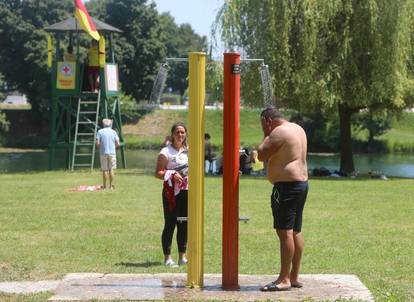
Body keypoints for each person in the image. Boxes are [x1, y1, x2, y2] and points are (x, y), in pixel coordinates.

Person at [257, 107, 309, 291]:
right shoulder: (297, 129)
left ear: (267, 120)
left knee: (284, 231)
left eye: (263, 123)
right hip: (301, 185)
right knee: (295, 231)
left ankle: (284, 279)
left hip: (287, 187)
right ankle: (294, 276)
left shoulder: (278, 132)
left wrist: (266, 133)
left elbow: (261, 154)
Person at [155, 122, 189, 267]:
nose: (180, 135)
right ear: (172, 134)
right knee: (170, 223)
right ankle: (167, 258)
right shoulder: (166, 152)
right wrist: (172, 174)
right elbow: (158, 173)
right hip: (171, 195)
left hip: (186, 193)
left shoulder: (189, 151)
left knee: (183, 222)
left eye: (182, 132)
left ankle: (182, 256)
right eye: (177, 132)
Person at [96, 119, 120, 190]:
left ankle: (104, 186)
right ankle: (111, 186)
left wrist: (98, 148)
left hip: (103, 152)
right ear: (110, 124)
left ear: (103, 124)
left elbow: (97, 143)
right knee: (111, 169)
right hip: (112, 153)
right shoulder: (114, 132)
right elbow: (118, 144)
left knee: (104, 170)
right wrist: (115, 148)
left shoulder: (100, 131)